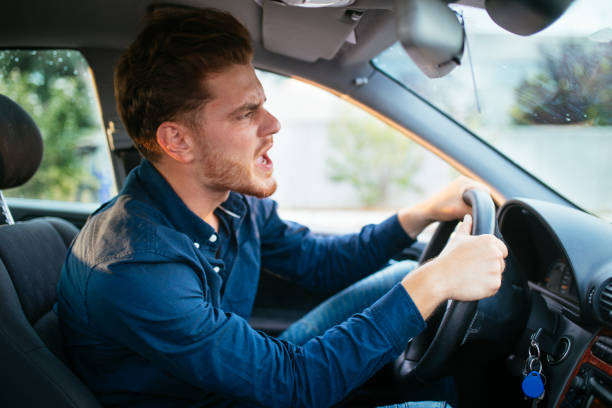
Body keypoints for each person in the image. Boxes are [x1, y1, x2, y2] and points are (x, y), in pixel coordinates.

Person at [56, 6, 507, 408]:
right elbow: (295, 385)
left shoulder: (231, 204)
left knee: (396, 276)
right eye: (246, 113)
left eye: (263, 105)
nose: (273, 124)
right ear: (178, 140)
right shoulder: (135, 266)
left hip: (237, 385)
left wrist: (422, 214)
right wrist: (438, 280)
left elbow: (320, 264)